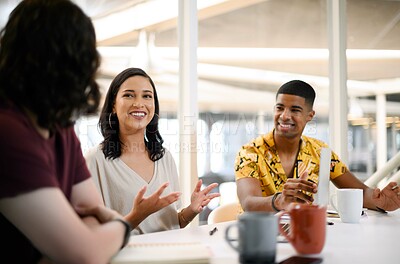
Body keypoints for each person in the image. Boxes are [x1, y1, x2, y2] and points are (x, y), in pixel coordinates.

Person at [0, 1, 141, 264]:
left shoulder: (60, 127)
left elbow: (92, 216)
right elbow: (86, 255)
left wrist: (85, 240)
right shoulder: (8, 132)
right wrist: (122, 228)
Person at [85, 67, 220, 235]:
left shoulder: (164, 157)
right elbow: (93, 233)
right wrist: (137, 216)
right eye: (129, 95)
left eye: (147, 96)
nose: (139, 103)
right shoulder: (96, 160)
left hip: (169, 254)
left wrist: (191, 210)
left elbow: (170, 224)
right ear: (113, 105)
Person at [234, 80, 400, 213]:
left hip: (304, 234)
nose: (284, 116)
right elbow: (249, 202)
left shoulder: (320, 152)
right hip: (258, 237)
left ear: (309, 115)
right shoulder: (250, 152)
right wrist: (280, 200)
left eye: (295, 110)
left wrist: (381, 201)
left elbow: (360, 192)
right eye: (280, 108)